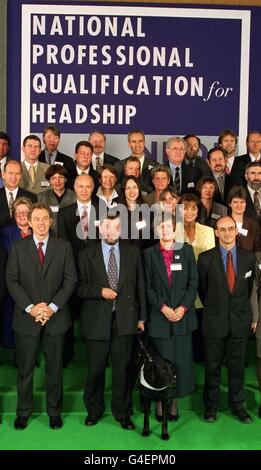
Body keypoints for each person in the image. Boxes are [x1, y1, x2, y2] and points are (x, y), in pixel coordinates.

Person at [6, 203, 77, 430]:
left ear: (50, 220)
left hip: (55, 318)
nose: (41, 223)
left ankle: (54, 412)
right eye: (36, 218)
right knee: (25, 370)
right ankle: (23, 412)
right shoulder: (18, 248)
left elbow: (70, 280)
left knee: (54, 369)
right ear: (29, 221)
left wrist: (52, 307)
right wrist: (31, 307)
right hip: (27, 319)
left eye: (45, 218)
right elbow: (12, 281)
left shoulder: (63, 247)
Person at [77, 213, 146, 429]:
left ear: (121, 229)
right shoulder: (86, 254)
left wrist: (142, 317)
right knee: (96, 369)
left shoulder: (133, 252)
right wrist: (100, 291)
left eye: (116, 227)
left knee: (122, 370)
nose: (111, 231)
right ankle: (94, 410)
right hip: (97, 320)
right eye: (107, 226)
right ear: (100, 229)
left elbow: (140, 287)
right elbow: (79, 287)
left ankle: (122, 412)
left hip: (125, 320)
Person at [198, 215, 256, 423]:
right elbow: (203, 290)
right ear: (216, 232)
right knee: (212, 368)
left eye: (230, 229)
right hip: (214, 321)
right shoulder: (205, 259)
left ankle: (238, 406)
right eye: (222, 229)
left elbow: (248, 290)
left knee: (237, 367)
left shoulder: (249, 258)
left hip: (239, 322)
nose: (227, 233)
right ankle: (211, 407)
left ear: (236, 231)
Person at [144, 212, 198, 421]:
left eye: (168, 226)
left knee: (179, 361)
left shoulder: (186, 250)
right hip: (160, 318)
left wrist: (183, 307)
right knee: (161, 364)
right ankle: (160, 402)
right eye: (161, 227)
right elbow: (147, 286)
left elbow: (193, 283)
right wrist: (163, 308)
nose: (165, 230)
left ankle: (173, 402)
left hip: (182, 318)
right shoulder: (148, 254)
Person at [177, 193, 215, 362]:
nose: (190, 211)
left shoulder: (207, 231)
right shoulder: (171, 231)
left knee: (199, 328)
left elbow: (212, 261)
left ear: (198, 211)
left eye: (194, 207)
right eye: (185, 207)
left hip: (203, 287)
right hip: (179, 289)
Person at [0, 197, 33, 349]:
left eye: (25, 211)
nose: (21, 214)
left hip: (36, 286)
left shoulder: (40, 230)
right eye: (17, 212)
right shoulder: (5, 233)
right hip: (13, 286)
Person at [38, 164, 76, 234]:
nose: (57, 181)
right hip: (49, 236)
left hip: (71, 236)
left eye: (60, 177)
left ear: (65, 179)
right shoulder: (42, 197)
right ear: (49, 181)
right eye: (53, 178)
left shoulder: (75, 196)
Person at [0, 160, 37, 228]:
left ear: (21, 176)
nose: (14, 177)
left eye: (17, 174)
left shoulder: (32, 197)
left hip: (24, 237)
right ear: (3, 175)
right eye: (10, 173)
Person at [228, 185, 261, 253]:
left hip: (249, 262)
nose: (239, 205)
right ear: (230, 204)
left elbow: (258, 251)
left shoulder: (254, 225)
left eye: (242, 202)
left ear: (246, 203)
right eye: (235, 202)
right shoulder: (222, 223)